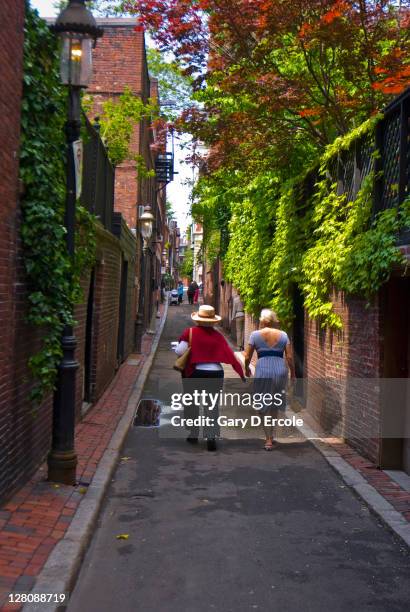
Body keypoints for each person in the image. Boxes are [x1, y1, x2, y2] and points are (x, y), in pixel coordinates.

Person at [174, 304, 245, 451]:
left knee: (192, 403)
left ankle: (194, 433)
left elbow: (180, 351)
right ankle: (211, 436)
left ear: (198, 319)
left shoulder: (190, 332)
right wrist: (240, 372)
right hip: (215, 373)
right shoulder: (218, 336)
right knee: (211, 406)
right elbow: (230, 356)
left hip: (195, 373)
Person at [243, 309, 295, 451]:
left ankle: (268, 439)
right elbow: (289, 357)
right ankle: (271, 436)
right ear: (273, 320)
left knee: (262, 406)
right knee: (274, 404)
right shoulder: (283, 335)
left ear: (263, 320)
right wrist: (293, 373)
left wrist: (246, 368)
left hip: (263, 370)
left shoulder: (255, 335)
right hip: (280, 370)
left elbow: (247, 356)